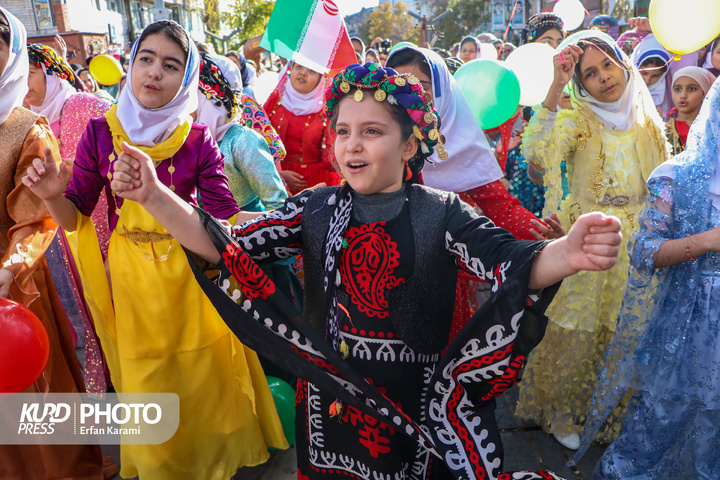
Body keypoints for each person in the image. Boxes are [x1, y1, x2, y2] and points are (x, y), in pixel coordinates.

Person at [108, 61, 623, 480]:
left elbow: (510, 261)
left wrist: (566, 254)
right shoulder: (314, 208)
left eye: (372, 132)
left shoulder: (442, 212)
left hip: (415, 409)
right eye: (344, 131)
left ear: (408, 145)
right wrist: (154, 195)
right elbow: (227, 247)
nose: (351, 144)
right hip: (330, 405)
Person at [22, 19, 287, 479]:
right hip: (133, 282)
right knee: (148, 381)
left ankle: (211, 465)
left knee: (204, 378)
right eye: (146, 59)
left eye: (171, 65)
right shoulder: (102, 134)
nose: (154, 73)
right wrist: (50, 195)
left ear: (186, 79)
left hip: (192, 275)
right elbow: (75, 218)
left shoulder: (198, 139)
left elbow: (221, 223)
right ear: (131, 64)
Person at [516, 31, 670, 450]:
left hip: (641, 238)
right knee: (579, 326)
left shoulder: (647, 118)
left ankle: (618, 410)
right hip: (591, 233)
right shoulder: (577, 119)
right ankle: (564, 410)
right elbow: (536, 154)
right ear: (579, 85)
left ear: (623, 63)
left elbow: (664, 179)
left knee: (630, 326)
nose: (604, 78)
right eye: (589, 74)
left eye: (608, 65)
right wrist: (554, 86)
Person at [574, 76, 720, 480]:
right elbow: (644, 251)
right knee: (664, 417)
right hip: (688, 326)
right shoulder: (678, 175)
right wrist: (707, 241)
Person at [0, 7, 112, 479]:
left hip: (16, 286)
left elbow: (37, 217)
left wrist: (7, 273)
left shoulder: (28, 129)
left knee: (36, 401)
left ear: (13, 57)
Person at [25, 42, 113, 393]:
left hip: (101, 225)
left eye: (31, 73)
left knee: (113, 302)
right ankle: (101, 374)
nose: (24, 83)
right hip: (58, 236)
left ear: (50, 72)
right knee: (78, 307)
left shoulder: (86, 105)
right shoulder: (23, 119)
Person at [195, 52, 287, 211]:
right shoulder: (187, 138)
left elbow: (278, 205)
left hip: (246, 233)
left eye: (192, 93)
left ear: (211, 96)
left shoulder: (243, 141)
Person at [264, 61, 340, 195]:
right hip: (274, 181)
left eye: (312, 71)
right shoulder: (273, 105)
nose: (303, 73)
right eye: (298, 66)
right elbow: (259, 147)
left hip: (316, 184)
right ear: (290, 70)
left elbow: (332, 155)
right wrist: (279, 173)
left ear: (321, 79)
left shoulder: (326, 112)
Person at [666, 66, 716, 155]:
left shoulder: (714, 130)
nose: (683, 95)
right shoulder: (664, 131)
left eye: (692, 89)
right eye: (677, 89)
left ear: (705, 94)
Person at [631, 34, 672, 118]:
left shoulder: (669, 96)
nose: (647, 80)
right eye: (643, 73)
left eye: (655, 76)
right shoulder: (624, 90)